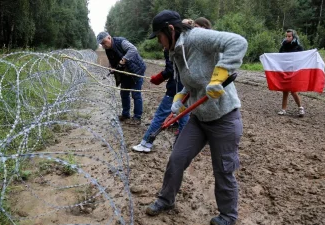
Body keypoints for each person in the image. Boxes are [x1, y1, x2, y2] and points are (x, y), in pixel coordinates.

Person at [145, 10, 248, 225]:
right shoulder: (175, 52)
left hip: (224, 118)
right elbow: (191, 82)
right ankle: (166, 199)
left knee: (223, 170)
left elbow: (238, 42)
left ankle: (228, 216)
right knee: (177, 158)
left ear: (170, 30)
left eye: (159, 37)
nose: (159, 43)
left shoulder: (196, 38)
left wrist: (219, 76)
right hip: (199, 118)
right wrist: (180, 97)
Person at [131, 48, 189, 152]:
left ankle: (145, 144)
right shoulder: (186, 46)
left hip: (175, 90)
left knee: (160, 115)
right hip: (187, 88)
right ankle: (181, 147)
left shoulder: (171, 49)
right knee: (184, 116)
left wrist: (158, 78)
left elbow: (170, 69)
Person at [96, 31, 146, 125]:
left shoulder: (121, 42)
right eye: (101, 44)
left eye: (103, 42)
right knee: (124, 93)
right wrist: (112, 67)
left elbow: (133, 50)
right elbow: (112, 60)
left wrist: (124, 60)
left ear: (109, 38)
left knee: (136, 94)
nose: (103, 45)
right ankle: (125, 114)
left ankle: (137, 117)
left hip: (136, 70)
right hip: (125, 73)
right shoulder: (107, 49)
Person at [278, 29, 305, 117]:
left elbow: (302, 58)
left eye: (289, 36)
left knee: (293, 91)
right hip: (285, 71)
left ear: (293, 37)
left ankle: (300, 108)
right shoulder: (283, 46)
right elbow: (279, 57)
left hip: (294, 72)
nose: (287, 38)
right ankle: (283, 109)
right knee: (285, 91)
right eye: (286, 36)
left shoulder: (298, 47)